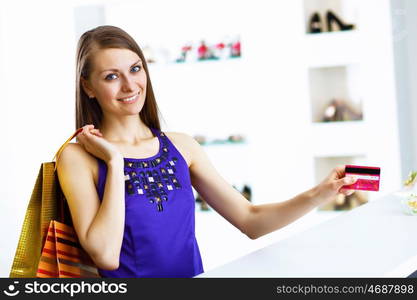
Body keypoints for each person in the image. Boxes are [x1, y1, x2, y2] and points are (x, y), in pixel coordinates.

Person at [57, 25, 357, 278]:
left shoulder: (182, 146)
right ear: (88, 87)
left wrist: (322, 192)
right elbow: (106, 255)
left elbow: (251, 220)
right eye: (111, 76)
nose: (129, 85)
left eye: (135, 69)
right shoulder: (78, 158)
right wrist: (114, 160)